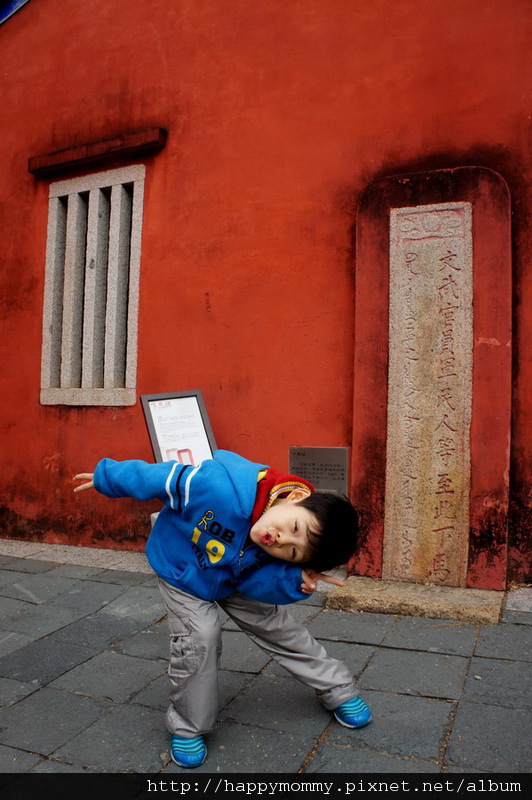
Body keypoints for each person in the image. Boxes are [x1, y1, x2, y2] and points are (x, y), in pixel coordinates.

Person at [73, 449, 372, 768]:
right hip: (182, 572)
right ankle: (188, 726)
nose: (280, 541)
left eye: (294, 552)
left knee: (279, 627)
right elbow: (161, 477)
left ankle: (337, 688)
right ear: (297, 496)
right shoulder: (217, 486)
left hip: (235, 579)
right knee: (200, 637)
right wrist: (110, 477)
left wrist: (294, 581)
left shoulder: (278, 544)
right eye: (294, 528)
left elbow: (261, 580)